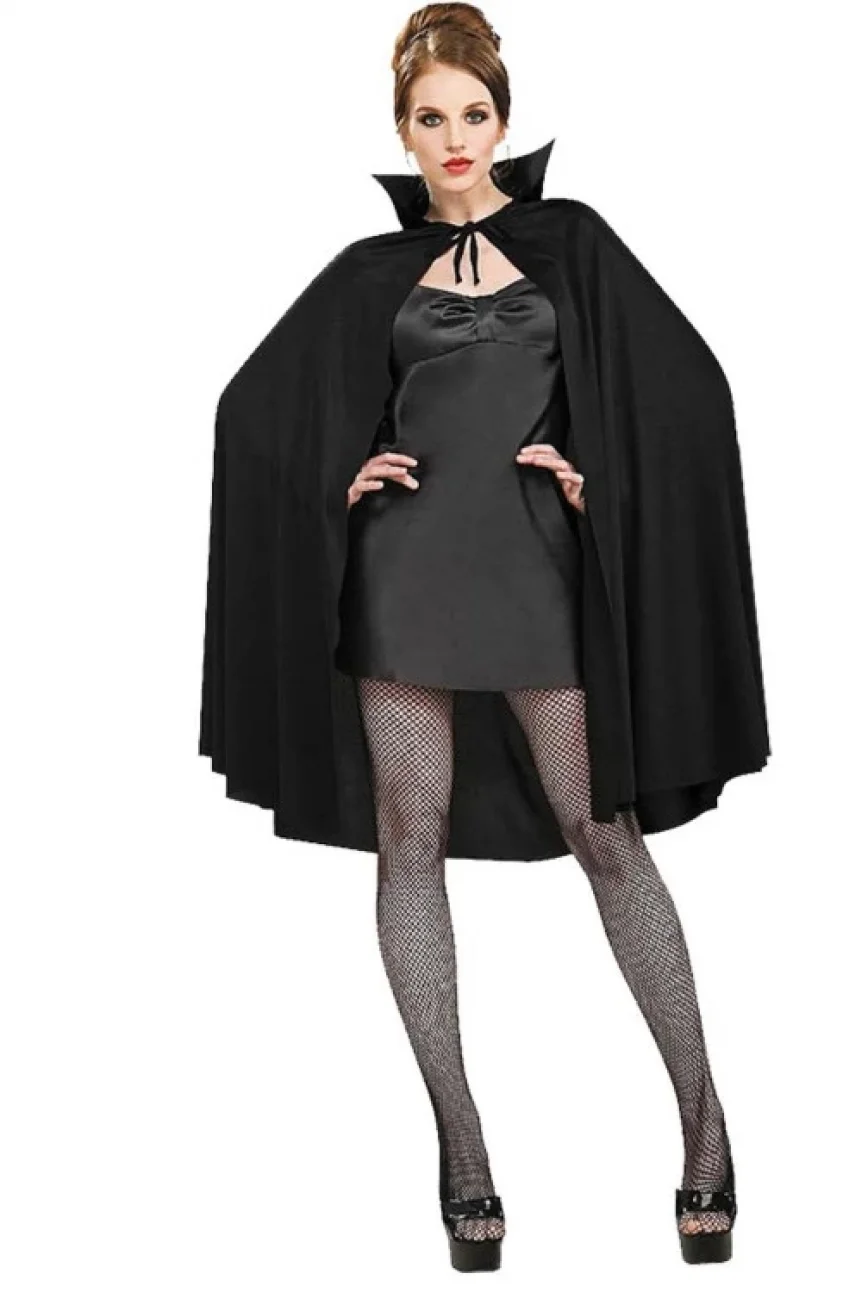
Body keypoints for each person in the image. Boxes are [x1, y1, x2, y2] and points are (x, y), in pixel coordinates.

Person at [199, 2, 770, 1272]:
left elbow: (690, 390)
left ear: (503, 122)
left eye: (473, 113)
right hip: (403, 574)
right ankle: (462, 1153)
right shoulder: (369, 271)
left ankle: (706, 1128)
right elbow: (253, 407)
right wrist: (338, 479)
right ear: (402, 132)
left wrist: (595, 471)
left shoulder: (574, 245)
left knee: (602, 833)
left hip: (536, 568)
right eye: (429, 118)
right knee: (408, 838)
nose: (454, 137)